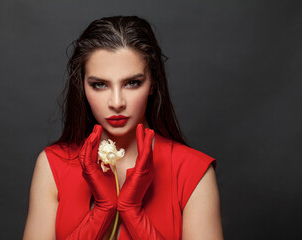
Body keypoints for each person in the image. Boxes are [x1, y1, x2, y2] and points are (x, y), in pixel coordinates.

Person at [23, 16, 223, 239]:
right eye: (99, 84)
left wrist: (132, 213)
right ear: (82, 86)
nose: (117, 102)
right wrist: (101, 212)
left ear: (153, 83)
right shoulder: (53, 165)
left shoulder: (193, 172)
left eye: (132, 83)